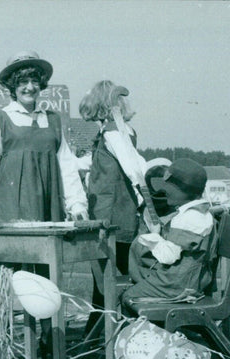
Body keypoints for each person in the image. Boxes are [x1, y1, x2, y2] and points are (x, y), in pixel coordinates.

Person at [0, 51, 88, 359]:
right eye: (23, 82)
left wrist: (77, 204)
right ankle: (8, 349)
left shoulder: (53, 120)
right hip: (12, 209)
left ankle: (45, 346)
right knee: (10, 277)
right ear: (13, 87)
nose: (29, 87)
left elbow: (67, 165)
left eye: (34, 80)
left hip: (47, 210)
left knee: (45, 278)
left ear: (41, 85)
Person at [77, 80, 148, 337]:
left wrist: (142, 190)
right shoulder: (111, 131)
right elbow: (101, 160)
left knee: (110, 275)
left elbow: (131, 164)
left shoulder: (113, 132)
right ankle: (96, 333)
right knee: (105, 277)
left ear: (100, 108)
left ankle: (104, 333)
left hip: (112, 214)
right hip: (114, 211)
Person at [122, 158, 216, 309]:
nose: (164, 191)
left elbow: (168, 257)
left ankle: (149, 332)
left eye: (168, 187)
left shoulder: (189, 218)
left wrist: (154, 236)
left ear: (183, 189)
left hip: (177, 285)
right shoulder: (198, 214)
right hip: (185, 281)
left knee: (129, 296)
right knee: (138, 284)